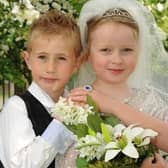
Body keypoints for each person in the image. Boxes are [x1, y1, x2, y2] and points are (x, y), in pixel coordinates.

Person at [68, 0, 168, 167]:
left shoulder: (150, 100)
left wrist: (111, 105)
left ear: (139, 52)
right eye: (105, 50)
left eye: (127, 50)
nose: (117, 60)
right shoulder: (77, 102)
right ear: (88, 53)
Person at [0, 10, 81, 168]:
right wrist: (60, 124)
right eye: (42, 57)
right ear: (28, 60)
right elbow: (22, 165)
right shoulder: (17, 107)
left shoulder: (80, 107)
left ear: (76, 64)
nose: (50, 68)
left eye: (61, 58)